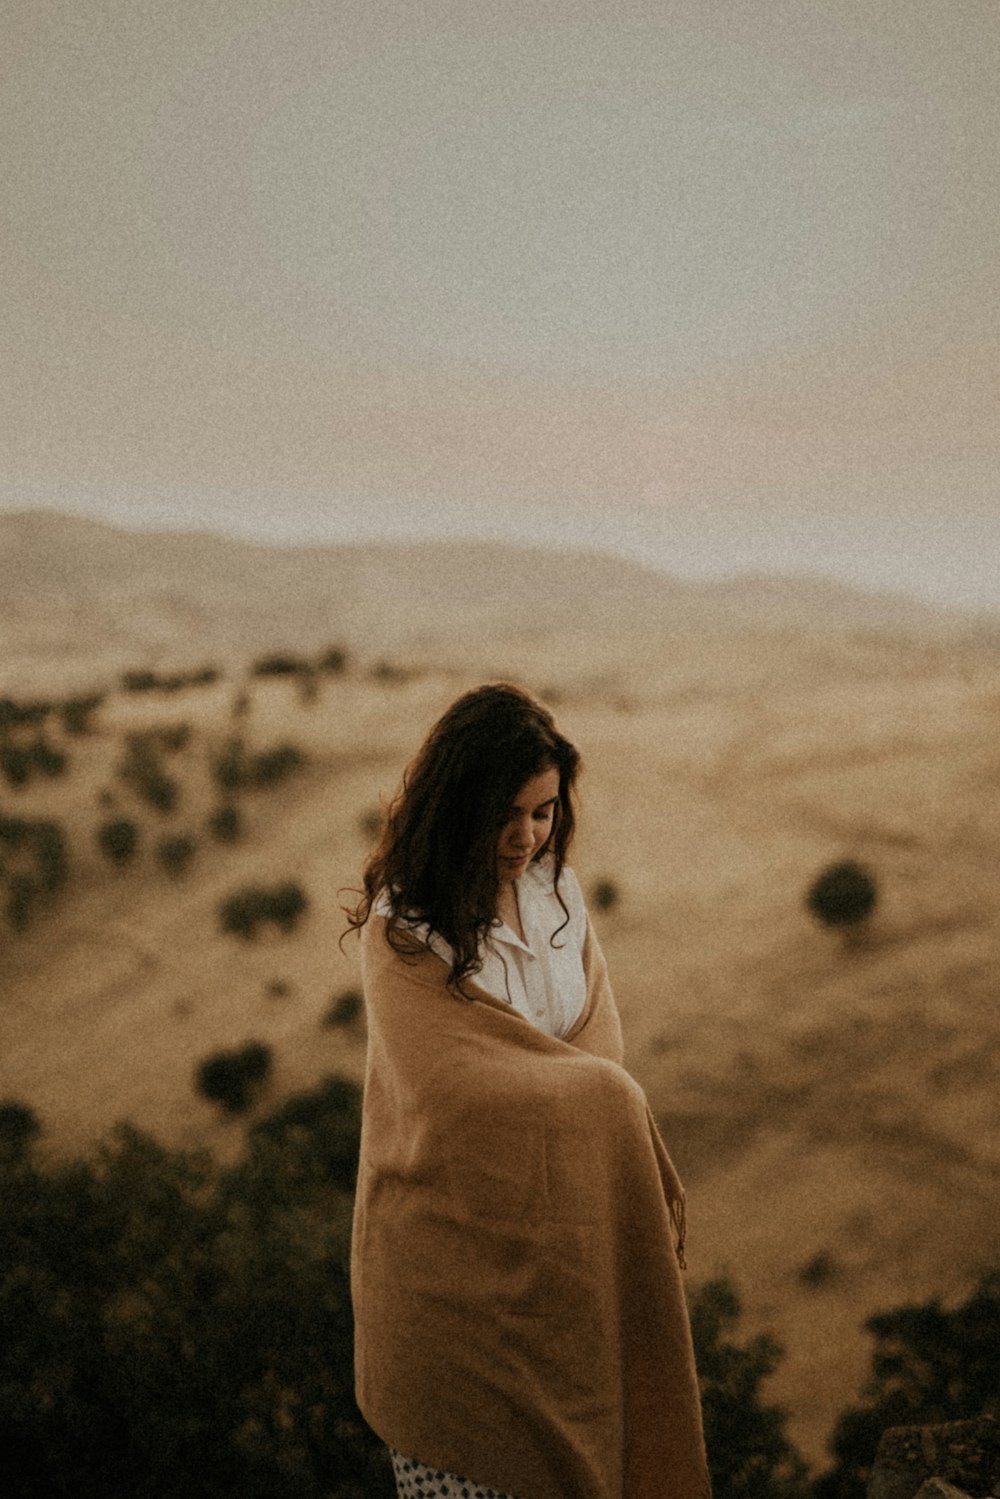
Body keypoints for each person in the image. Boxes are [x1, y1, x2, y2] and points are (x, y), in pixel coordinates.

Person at [344, 683, 711, 1499]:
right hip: (451, 1274)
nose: (525, 835)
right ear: (457, 805)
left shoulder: (559, 899)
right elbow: (449, 1087)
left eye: (543, 811)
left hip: (566, 1266)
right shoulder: (404, 926)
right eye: (505, 813)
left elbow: (596, 1044)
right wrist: (601, 1099)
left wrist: (590, 1091)